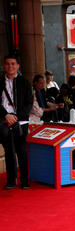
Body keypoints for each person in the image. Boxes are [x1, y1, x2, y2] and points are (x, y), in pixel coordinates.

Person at [0, 53, 33, 189]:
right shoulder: (0, 82)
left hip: (21, 121)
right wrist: (6, 115)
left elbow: (28, 102)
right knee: (8, 151)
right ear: (4, 66)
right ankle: (11, 180)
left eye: (13, 64)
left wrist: (17, 117)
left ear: (18, 66)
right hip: (4, 121)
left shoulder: (24, 82)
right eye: (7, 64)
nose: (10, 66)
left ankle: (24, 180)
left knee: (22, 151)